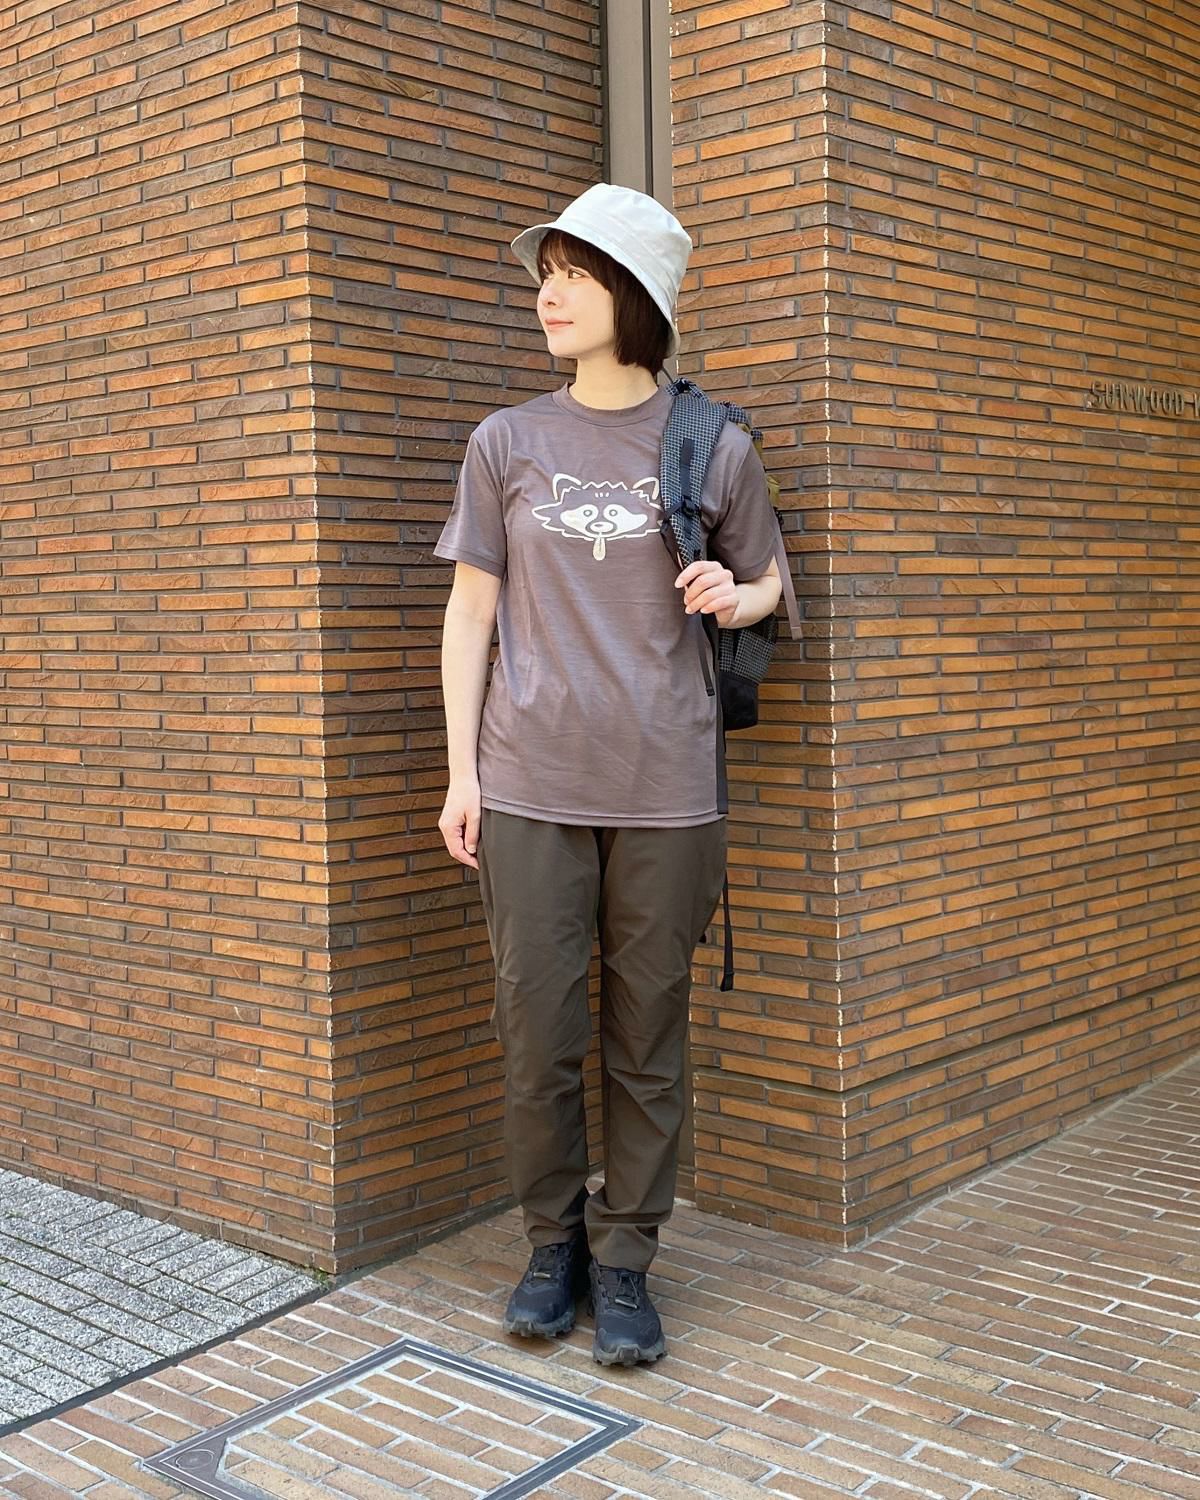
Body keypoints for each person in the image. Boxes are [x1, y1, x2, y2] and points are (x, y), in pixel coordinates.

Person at [434, 182, 783, 1367]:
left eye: (576, 275)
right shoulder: (506, 442)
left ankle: (627, 1256)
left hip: (668, 789)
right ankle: (554, 1245)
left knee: (649, 1039)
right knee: (537, 1034)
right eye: (547, 276)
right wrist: (461, 773)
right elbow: (470, 613)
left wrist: (738, 593)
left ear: (636, 294)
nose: (550, 295)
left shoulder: (712, 443)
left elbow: (769, 582)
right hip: (529, 782)